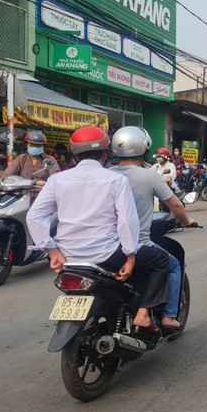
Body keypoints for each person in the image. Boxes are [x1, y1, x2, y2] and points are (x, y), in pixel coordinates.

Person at [26, 126, 170, 334]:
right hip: (107, 256)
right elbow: (127, 221)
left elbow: (34, 216)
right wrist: (130, 257)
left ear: (74, 155)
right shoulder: (116, 180)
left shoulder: (57, 180)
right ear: (105, 154)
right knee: (161, 260)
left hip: (68, 258)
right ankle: (144, 314)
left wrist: (52, 250)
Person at [110, 127, 196, 331]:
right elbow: (175, 205)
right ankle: (167, 316)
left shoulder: (106, 174)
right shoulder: (149, 176)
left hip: (105, 245)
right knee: (172, 265)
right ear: (144, 150)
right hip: (136, 245)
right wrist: (186, 220)